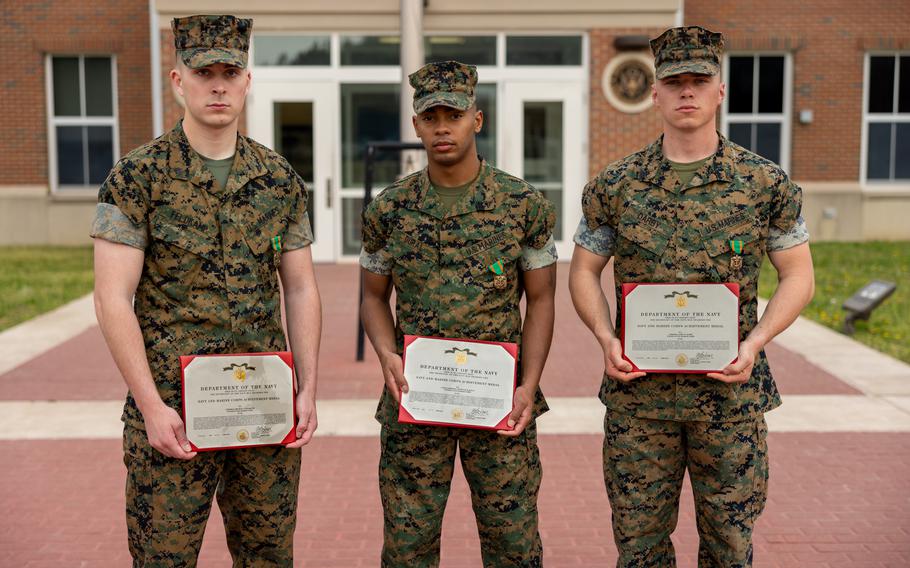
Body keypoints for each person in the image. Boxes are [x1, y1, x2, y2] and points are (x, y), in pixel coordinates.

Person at [568, 26, 815, 567]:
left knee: (729, 548)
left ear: (719, 91)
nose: (687, 92)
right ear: (654, 93)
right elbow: (583, 273)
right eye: (674, 81)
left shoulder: (763, 183)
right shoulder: (616, 185)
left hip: (729, 400)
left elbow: (798, 276)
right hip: (640, 403)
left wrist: (756, 341)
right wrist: (605, 337)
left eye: (699, 81)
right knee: (639, 549)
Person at [91, 14, 321, 566]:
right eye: (203, 72)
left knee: (267, 556)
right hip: (174, 414)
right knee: (164, 558)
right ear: (178, 81)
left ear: (246, 81)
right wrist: (150, 406)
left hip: (264, 410)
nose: (218, 84)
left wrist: (308, 388)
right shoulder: (137, 177)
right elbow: (110, 298)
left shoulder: (278, 178)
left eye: (230, 71)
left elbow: (302, 289)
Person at [359, 60, 558, 567]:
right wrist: (385, 353)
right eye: (431, 116)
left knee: (513, 544)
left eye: (454, 113)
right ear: (416, 125)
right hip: (416, 401)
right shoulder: (391, 209)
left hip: (498, 404)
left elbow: (541, 300)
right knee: (408, 548)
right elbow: (373, 298)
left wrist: (529, 384)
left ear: (477, 118)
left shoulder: (521, 205)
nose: (442, 126)